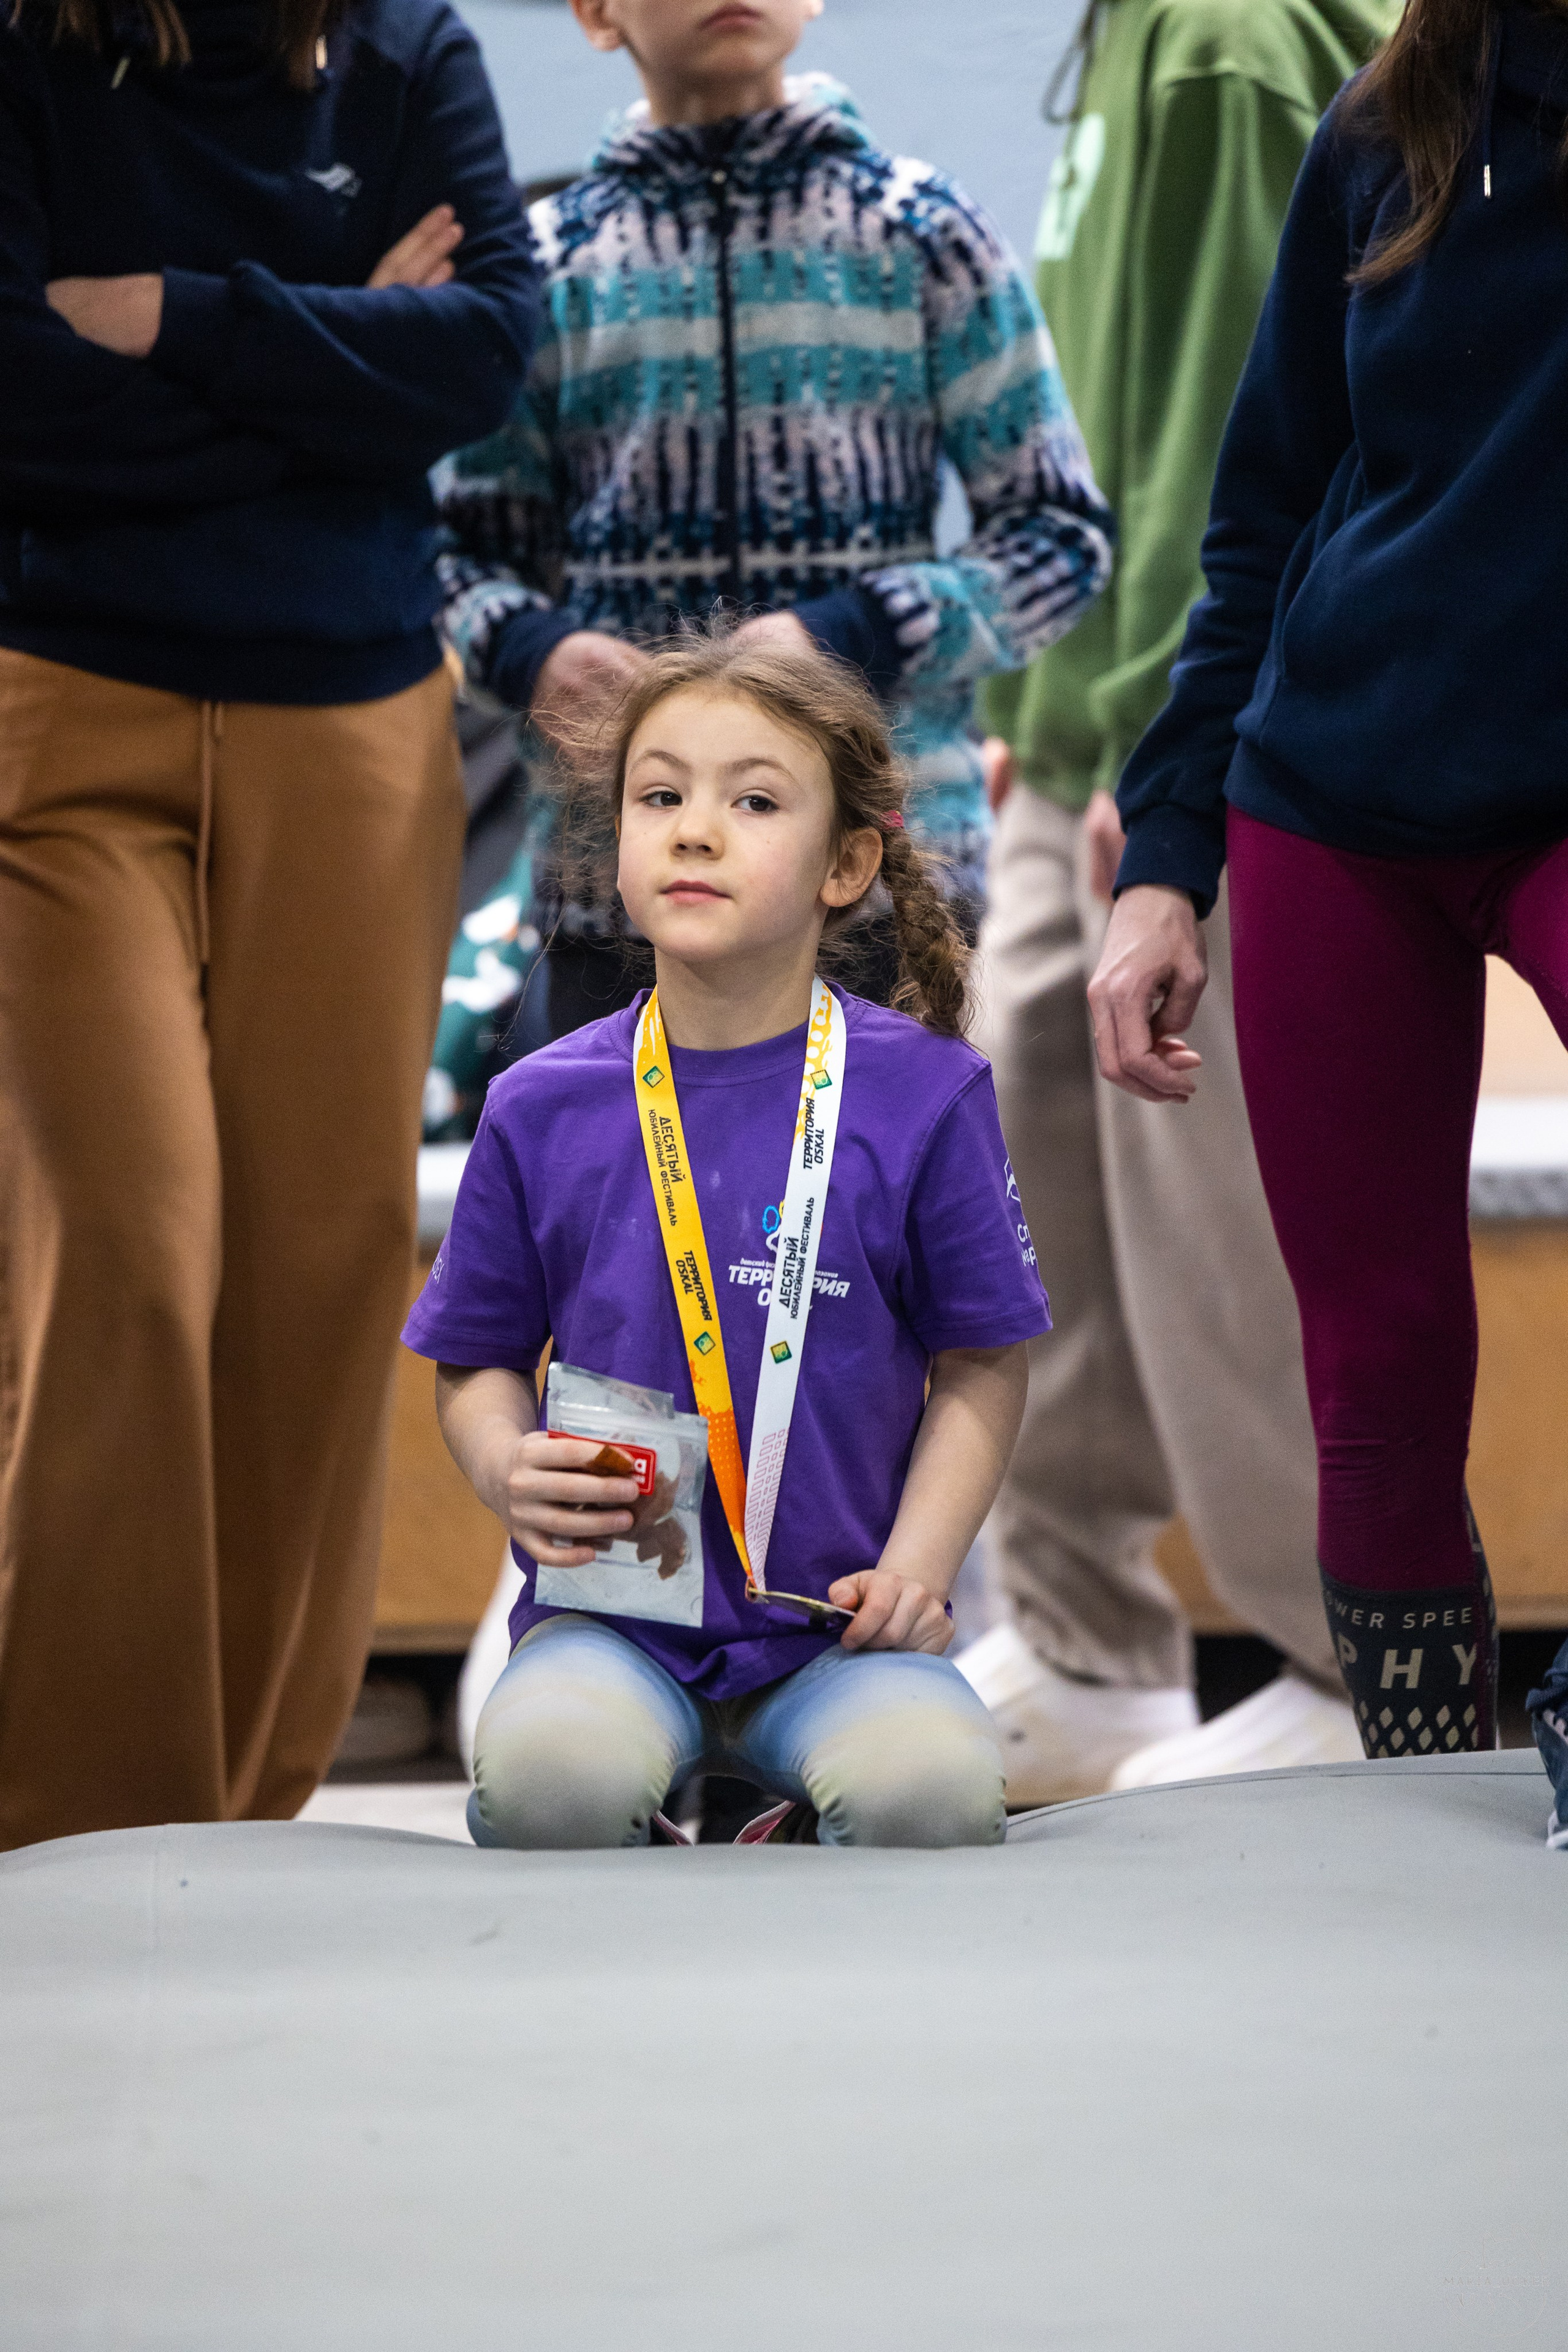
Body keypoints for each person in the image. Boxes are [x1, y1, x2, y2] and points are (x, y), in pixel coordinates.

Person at [0, 0, 539, 1849]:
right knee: (129, 1269)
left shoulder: (410, 55)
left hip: (354, 732)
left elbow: (482, 357)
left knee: (316, 1279)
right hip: (63, 704)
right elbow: (11, 384)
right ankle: (79, 1832)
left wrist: (179, 316)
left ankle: (246, 1821)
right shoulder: (25, 50)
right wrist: (328, 380)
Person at [1087, 0, 1568, 1758]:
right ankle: (1416, 1779)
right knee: (1376, 1367)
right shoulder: (1385, 128)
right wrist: (1166, 859)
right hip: (1336, 791)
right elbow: (1263, 513)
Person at [403, 631, 1047, 1848]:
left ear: (845, 862)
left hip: (834, 1632)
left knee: (932, 1798)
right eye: (661, 796)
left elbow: (983, 1360)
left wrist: (917, 1567)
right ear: (617, 845)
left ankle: (779, 1849)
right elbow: (473, 1356)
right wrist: (501, 1467)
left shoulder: (927, 1093)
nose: (695, 829)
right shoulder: (538, 1100)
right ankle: (655, 1868)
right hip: (613, 1627)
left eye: (753, 800)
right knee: (545, 1785)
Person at [958, 0, 1389, 1803]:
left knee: (1215, 1206)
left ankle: (1340, 1663)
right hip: (1083, 728)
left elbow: (1236, 435)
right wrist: (1031, 717)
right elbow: (1090, 424)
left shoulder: (1222, 38)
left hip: (1190, 731)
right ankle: (1083, 1645)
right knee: (1032, 1166)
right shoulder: (1130, 33)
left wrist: (1159, 759)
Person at [425, 0, 1114, 1118]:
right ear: (598, 16)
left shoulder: (921, 231)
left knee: (877, 1266)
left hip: (882, 891)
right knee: (634, 1273)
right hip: (622, 903)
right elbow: (455, 563)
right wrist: (537, 651)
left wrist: (856, 635)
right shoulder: (549, 264)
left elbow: (1057, 534)